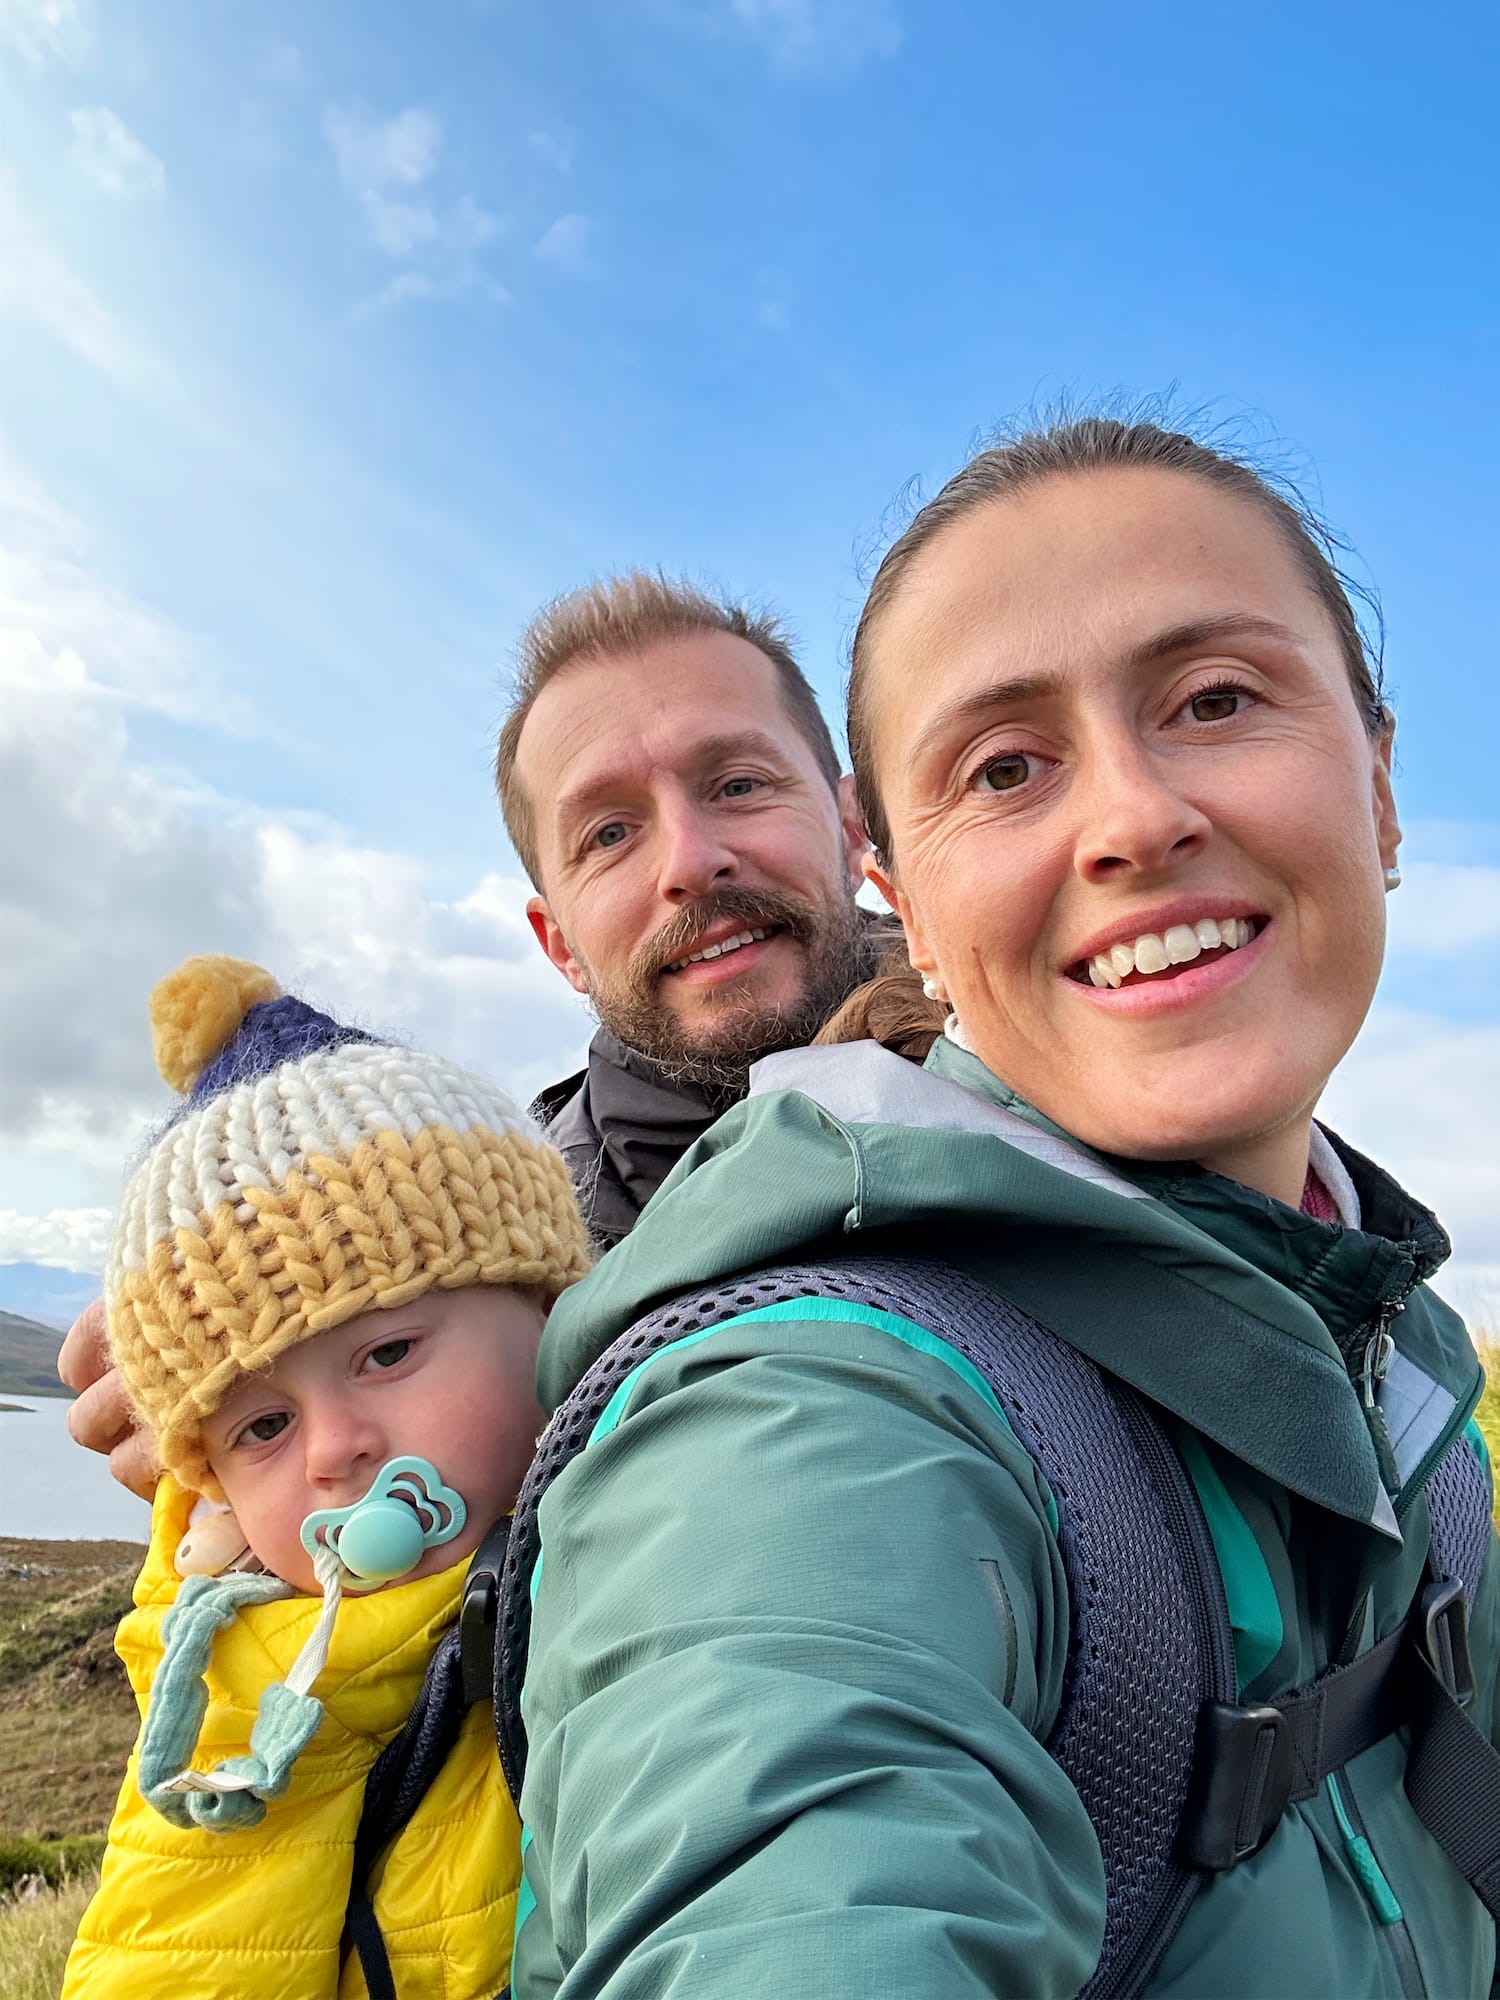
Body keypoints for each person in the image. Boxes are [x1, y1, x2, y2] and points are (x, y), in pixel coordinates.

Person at [511, 415, 1500, 1997]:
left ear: (1381, 784)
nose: (1131, 820)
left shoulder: (1397, 1334)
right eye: (1008, 766)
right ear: (902, 878)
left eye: (1219, 698)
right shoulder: (810, 1399)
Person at [59, 570, 880, 1486]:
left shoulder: (1059, 1095)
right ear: (557, 942)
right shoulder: (490, 1258)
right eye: (609, 834)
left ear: (853, 829)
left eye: (737, 783)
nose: (689, 860)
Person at [63, 954, 591, 1999]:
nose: (332, 1448)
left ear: (549, 1316)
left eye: (389, 1353)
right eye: (261, 1424)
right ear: (209, 1481)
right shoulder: (222, 1688)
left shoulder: (621, 1588)